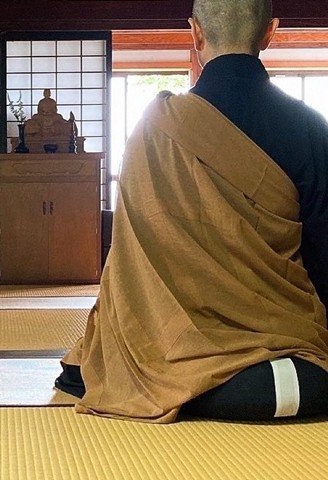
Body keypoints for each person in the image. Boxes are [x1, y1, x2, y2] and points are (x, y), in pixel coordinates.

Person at [56, 0, 328, 423]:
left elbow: (128, 265)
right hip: (288, 347)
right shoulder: (313, 130)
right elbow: (323, 259)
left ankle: (188, 387)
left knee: (90, 370)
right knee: (303, 383)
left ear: (196, 32)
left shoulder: (154, 129)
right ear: (269, 33)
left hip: (173, 347)